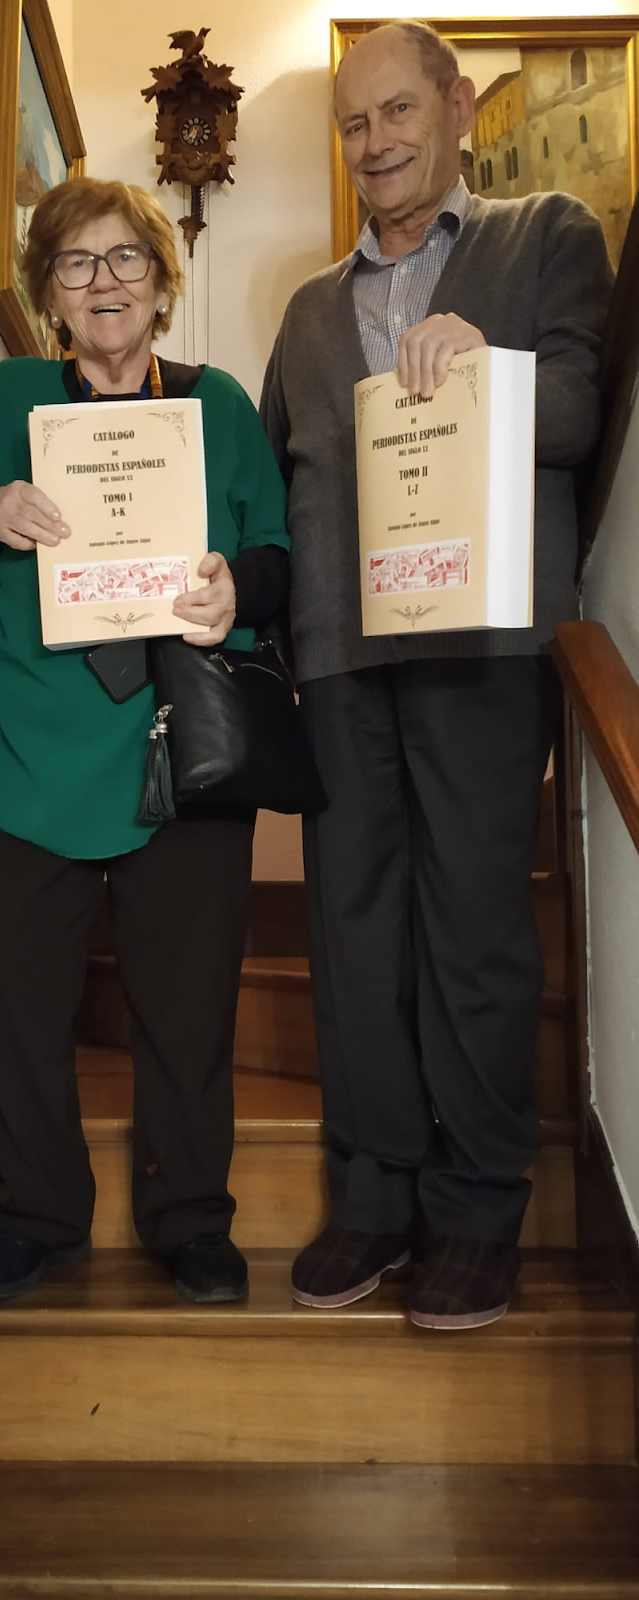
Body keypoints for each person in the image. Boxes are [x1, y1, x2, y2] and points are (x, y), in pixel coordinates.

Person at [260, 21, 613, 1329]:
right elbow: (273, 480)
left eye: (398, 111)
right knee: (353, 940)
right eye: (354, 123)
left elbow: (577, 415)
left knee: (473, 932)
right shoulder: (308, 311)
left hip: (481, 649)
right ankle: (372, 1197)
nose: (376, 142)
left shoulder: (547, 235)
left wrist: (486, 372)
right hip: (341, 660)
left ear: (459, 107)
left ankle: (473, 1210)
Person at [0, 177, 290, 1303]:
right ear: (48, 292)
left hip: (178, 737)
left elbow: (277, 558)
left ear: (160, 280)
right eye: (75, 262)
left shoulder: (219, 403)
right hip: (30, 739)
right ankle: (36, 1213)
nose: (103, 281)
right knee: (18, 1000)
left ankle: (190, 1216)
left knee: (189, 1001)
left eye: (125, 258)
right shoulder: (11, 393)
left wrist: (231, 588)